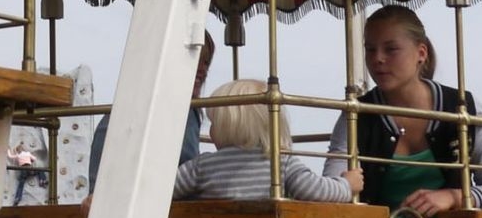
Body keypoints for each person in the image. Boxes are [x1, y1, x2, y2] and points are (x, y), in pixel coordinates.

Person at [324, 5, 482, 214]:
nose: (377, 58)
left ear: (421, 53)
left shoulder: (465, 107)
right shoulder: (354, 115)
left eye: (390, 49)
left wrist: (454, 196)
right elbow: (332, 189)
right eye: (370, 49)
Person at [173, 79, 363, 202]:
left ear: (227, 127)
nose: (211, 130)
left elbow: (168, 189)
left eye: (213, 123)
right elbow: (315, 191)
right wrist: (346, 185)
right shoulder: (281, 162)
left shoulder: (202, 166)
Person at [87, 32, 214, 188]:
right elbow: (106, 140)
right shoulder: (139, 102)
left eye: (206, 62)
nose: (202, 69)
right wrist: (96, 193)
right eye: (196, 59)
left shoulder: (191, 112)